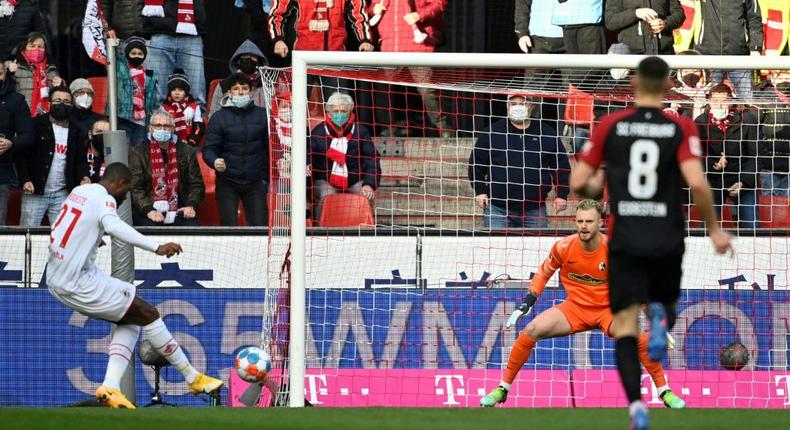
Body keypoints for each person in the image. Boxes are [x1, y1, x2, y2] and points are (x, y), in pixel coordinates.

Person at [570, 56, 733, 430]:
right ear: (666, 87)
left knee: (626, 326)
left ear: (634, 85)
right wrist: (714, 229)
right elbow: (698, 183)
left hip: (625, 235)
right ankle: (662, 318)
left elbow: (581, 180)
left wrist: (594, 186)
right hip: (666, 233)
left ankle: (636, 408)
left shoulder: (611, 124)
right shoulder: (681, 126)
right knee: (664, 304)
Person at [46, 162, 222, 408]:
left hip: (57, 276)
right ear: (118, 183)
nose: (124, 196)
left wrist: (88, 240)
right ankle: (192, 377)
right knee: (149, 314)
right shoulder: (105, 198)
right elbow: (114, 226)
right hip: (77, 282)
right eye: (125, 190)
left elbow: (63, 226)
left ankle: (111, 386)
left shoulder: (80, 191)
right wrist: (156, 247)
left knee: (132, 319)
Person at [479, 200, 686, 409]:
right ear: (574, 221)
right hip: (575, 309)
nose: (584, 226)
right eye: (580, 221)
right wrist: (527, 303)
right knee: (531, 329)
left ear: (600, 223)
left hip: (609, 310)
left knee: (638, 337)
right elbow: (543, 273)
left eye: (589, 221)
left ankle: (664, 392)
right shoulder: (563, 247)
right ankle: (502, 389)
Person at [468, 94, 570, 229]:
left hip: (535, 209)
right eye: (513, 103)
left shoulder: (547, 133)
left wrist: (562, 194)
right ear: (507, 106)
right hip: (497, 209)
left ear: (532, 106)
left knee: (536, 249)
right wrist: (480, 190)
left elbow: (561, 165)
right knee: (496, 249)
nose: (518, 107)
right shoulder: (492, 132)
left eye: (523, 103)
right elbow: (476, 163)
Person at [368, 0, 452, 138]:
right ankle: (391, 127)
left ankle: (443, 128)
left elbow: (439, 3)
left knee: (426, 90)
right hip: (390, 45)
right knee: (386, 90)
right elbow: (373, 6)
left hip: (418, 45)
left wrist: (419, 15)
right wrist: (373, 9)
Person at [15, 86, 89, 227]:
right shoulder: (35, 125)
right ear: (50, 103)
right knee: (27, 234)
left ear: (72, 105)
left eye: (67, 102)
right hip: (34, 191)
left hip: (62, 193)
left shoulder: (78, 130)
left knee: (62, 236)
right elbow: (21, 155)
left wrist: (84, 176)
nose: (62, 104)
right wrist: (25, 179)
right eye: (58, 100)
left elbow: (80, 160)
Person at [203, 73, 270, 226]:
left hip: (255, 182)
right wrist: (214, 161)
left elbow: (271, 147)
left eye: (244, 88)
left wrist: (264, 175)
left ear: (250, 92)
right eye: (236, 89)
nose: (240, 92)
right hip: (227, 182)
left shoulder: (262, 115)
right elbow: (209, 149)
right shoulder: (219, 117)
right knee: (228, 228)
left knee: (260, 229)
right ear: (229, 93)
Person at [695, 84, 759, 229]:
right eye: (715, 100)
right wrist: (713, 163)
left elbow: (757, 154)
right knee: (707, 228)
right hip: (713, 180)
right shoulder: (700, 122)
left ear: (731, 100)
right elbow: (696, 155)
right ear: (709, 101)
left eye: (724, 100)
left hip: (742, 177)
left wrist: (743, 181)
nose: (719, 104)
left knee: (752, 226)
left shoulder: (747, 119)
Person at [309, 91, 380, 219]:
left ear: (350, 112)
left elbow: (372, 159)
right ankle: (321, 231)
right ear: (328, 113)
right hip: (325, 180)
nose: (340, 115)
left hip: (354, 180)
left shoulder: (360, 131)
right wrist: (306, 165)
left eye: (343, 111)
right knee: (327, 196)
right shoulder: (318, 132)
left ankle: (366, 231)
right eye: (336, 111)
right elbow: (308, 155)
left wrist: (369, 184)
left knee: (366, 195)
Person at [129, 110, 204, 226]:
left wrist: (190, 205)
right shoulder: (138, 152)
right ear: (150, 128)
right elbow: (135, 188)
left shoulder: (187, 151)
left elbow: (196, 184)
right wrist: (148, 210)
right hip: (147, 210)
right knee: (151, 226)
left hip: (179, 209)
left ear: (173, 129)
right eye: (158, 126)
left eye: (166, 126)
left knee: (192, 226)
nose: (162, 129)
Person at [142, 0, 208, 107]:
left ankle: (198, 122)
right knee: (157, 96)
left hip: (192, 34)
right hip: (160, 32)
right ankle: (155, 123)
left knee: (197, 95)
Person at [694, 0, 763, 100]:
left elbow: (754, 18)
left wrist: (755, 48)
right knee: (705, 101)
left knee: (746, 101)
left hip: (739, 55)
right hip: (708, 54)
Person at [0, 60, 34, 225]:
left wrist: (10, 142)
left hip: (2, 172)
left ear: (6, 74)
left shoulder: (16, 100)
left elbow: (28, 135)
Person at [112, 35, 158, 146]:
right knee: (123, 149)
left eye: (140, 54)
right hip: (124, 118)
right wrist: (132, 100)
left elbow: (152, 98)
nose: (137, 56)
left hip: (142, 121)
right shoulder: (119, 69)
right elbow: (119, 90)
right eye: (133, 53)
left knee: (138, 150)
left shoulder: (149, 75)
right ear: (128, 54)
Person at [4, 32, 62, 117]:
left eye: (40, 47)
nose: (37, 49)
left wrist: (61, 84)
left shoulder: (52, 69)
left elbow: (59, 95)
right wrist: (8, 71)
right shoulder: (14, 65)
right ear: (24, 48)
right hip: (21, 116)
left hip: (45, 119)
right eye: (32, 46)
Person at [208, 39, 268, 118]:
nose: (249, 59)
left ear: (258, 62)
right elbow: (213, 115)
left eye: (252, 57)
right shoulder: (224, 85)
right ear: (238, 61)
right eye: (245, 57)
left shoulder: (266, 85)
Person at [604, 0, 685, 55]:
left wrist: (665, 23)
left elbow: (679, 14)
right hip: (631, 57)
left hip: (663, 53)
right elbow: (610, 21)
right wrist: (636, 13)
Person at [760, 72, 790, 197]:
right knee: (769, 201)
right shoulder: (765, 98)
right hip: (768, 162)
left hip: (788, 163)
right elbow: (755, 124)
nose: (785, 79)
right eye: (782, 76)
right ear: (775, 78)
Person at [161, 68, 204, 146]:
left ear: (186, 92)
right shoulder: (164, 107)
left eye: (180, 90)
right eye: (174, 90)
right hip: (169, 143)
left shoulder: (194, 106)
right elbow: (161, 127)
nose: (177, 93)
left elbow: (199, 126)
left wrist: (192, 140)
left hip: (189, 143)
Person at [86, 117, 110, 183]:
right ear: (90, 135)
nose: (102, 135)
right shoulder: (80, 152)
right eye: (99, 131)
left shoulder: (112, 155)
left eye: (107, 133)